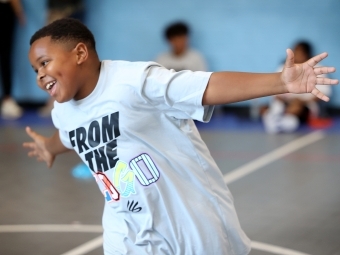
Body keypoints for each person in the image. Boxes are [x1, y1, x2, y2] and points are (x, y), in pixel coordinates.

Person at [23, 18, 337, 255]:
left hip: (188, 218)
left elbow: (208, 87)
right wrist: (48, 148)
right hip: (126, 225)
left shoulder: (136, 82)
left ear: (79, 53)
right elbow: (68, 135)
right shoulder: (64, 110)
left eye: (44, 62)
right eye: (35, 69)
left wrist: (280, 83)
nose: (39, 74)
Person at [262, 41, 332, 133]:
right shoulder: (284, 67)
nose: (296, 54)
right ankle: (276, 119)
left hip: (304, 105)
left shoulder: (316, 68)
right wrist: (285, 100)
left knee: (296, 108)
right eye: (295, 51)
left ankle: (286, 121)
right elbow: (275, 90)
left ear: (307, 54)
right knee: (268, 107)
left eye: (300, 52)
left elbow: (324, 93)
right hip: (286, 102)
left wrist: (301, 101)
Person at [38, 0, 85, 117]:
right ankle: (57, 99)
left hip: (71, 9)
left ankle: (62, 99)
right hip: (60, 9)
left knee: (71, 56)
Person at [0, 0, 25, 119]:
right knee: (5, 56)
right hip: (4, 9)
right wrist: (20, 13)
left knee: (5, 56)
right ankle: (7, 99)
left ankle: (7, 99)